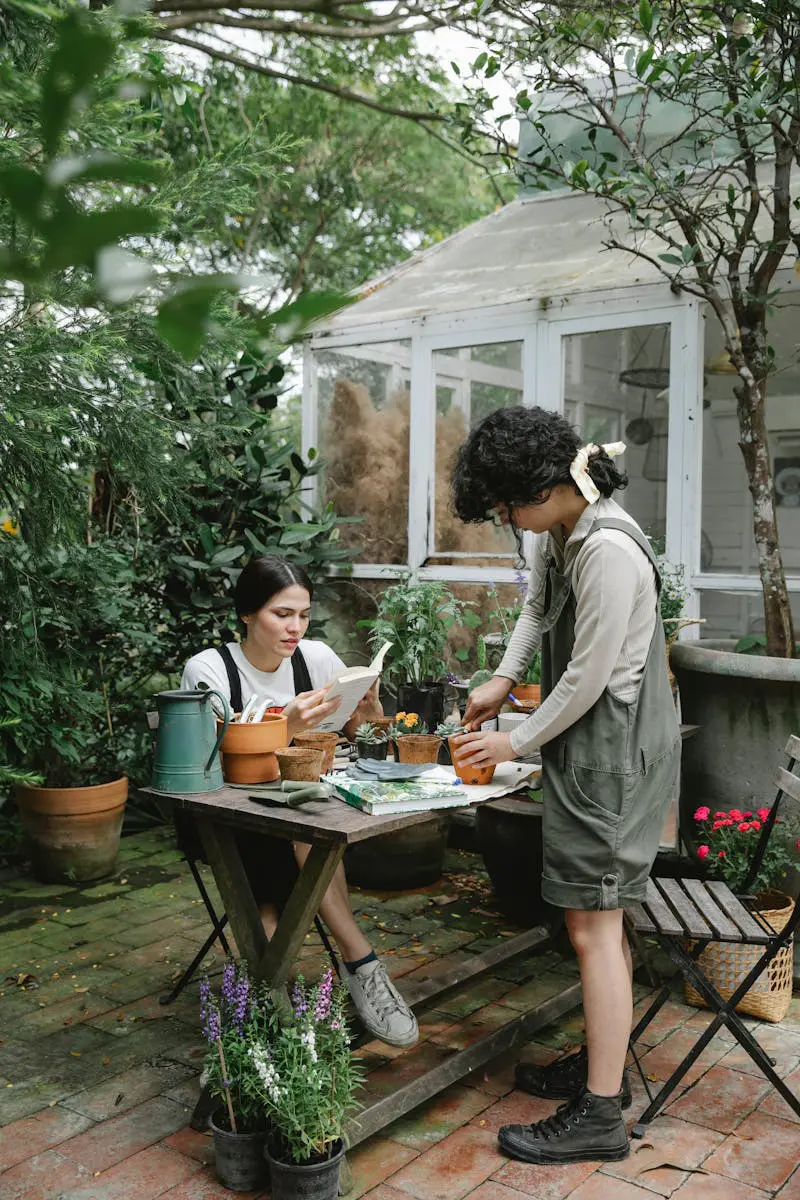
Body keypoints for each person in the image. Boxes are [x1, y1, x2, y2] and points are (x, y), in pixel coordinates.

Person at [451, 406, 680, 1166]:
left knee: (595, 928)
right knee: (592, 924)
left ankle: (601, 1114)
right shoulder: (564, 531)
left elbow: (585, 678)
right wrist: (502, 679)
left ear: (546, 486)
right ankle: (600, 1065)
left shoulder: (608, 551)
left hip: (610, 752)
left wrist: (513, 738)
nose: (509, 520)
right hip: (588, 750)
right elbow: (535, 612)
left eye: (508, 506)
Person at [182, 554, 418, 1049]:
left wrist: (369, 710)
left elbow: (354, 733)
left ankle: (283, 998)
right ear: (246, 614)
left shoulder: (316, 659)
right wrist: (284, 725)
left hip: (304, 804)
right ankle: (359, 965)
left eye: (303, 615)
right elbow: (208, 760)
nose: (296, 627)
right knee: (307, 840)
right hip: (228, 815)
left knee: (313, 832)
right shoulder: (210, 669)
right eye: (281, 614)